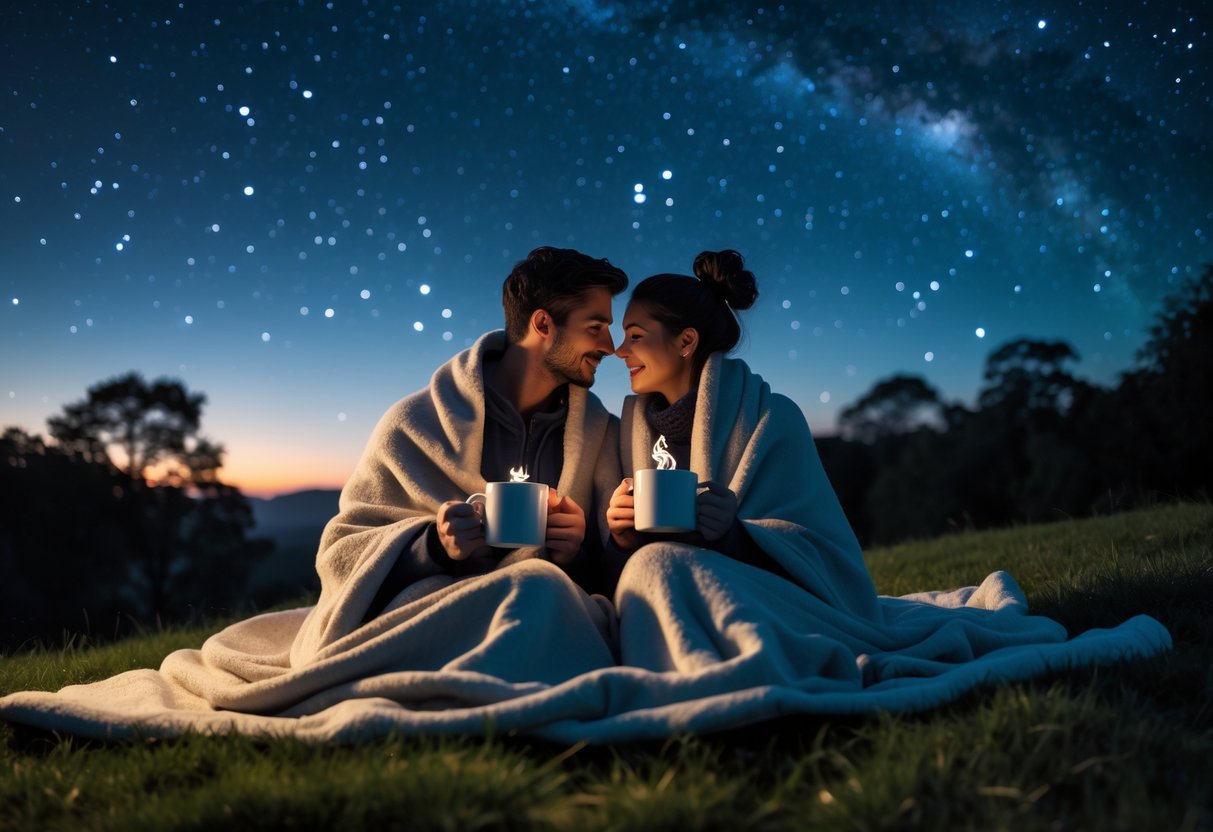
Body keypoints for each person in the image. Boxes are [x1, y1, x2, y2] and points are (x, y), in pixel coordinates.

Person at [290, 246, 629, 665]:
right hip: (438, 616)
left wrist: (573, 552)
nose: (610, 346)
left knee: (540, 591)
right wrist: (433, 545)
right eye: (596, 327)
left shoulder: (601, 436)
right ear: (543, 324)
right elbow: (342, 554)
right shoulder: (415, 424)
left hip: (541, 617)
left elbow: (616, 576)